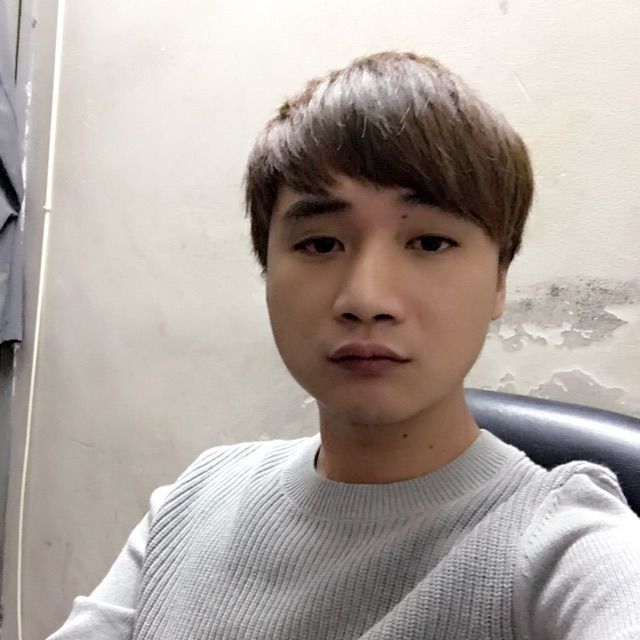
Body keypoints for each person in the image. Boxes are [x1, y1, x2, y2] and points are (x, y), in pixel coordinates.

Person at [48, 51, 640, 640]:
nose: (366, 299)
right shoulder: (197, 496)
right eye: (320, 244)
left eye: (430, 242)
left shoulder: (561, 543)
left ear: (500, 282)